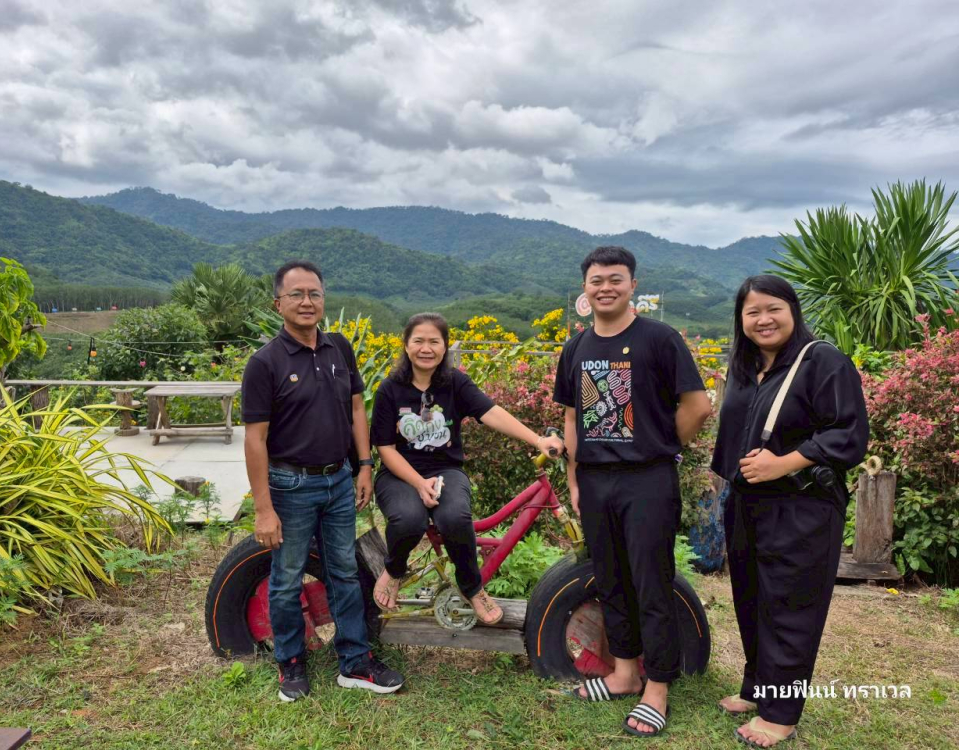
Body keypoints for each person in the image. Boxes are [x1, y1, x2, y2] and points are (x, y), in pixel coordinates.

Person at [555, 246, 712, 737]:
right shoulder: (577, 347)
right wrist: (575, 478)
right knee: (611, 578)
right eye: (596, 279)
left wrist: (662, 446)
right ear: (585, 287)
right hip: (597, 481)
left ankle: (657, 687)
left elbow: (699, 405)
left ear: (632, 286)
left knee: (651, 581)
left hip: (648, 480)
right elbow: (572, 417)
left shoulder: (659, 339)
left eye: (615, 279)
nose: (605, 287)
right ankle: (623, 672)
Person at [711, 275, 868, 747]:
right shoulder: (744, 367)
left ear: (793, 310)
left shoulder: (821, 360)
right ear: (741, 319)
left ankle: (781, 713)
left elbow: (848, 432)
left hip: (802, 505)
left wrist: (784, 462)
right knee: (752, 597)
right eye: (752, 311)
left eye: (773, 308)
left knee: (791, 605)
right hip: (747, 502)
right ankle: (758, 688)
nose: (764, 319)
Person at [241, 260, 404, 702]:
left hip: (339, 481)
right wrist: (263, 508)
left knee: (345, 572)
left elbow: (356, 409)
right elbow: (255, 440)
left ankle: (355, 662)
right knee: (287, 575)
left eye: (314, 293)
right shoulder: (264, 363)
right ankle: (290, 663)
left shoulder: (339, 349)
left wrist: (365, 464)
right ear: (278, 303)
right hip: (290, 487)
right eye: (296, 294)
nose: (307, 302)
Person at [370, 312, 565, 624]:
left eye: (434, 341)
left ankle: (472, 588)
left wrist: (538, 440)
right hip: (400, 473)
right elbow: (386, 449)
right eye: (418, 340)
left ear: (445, 346)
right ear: (406, 346)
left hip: (447, 470)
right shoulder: (389, 390)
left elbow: (490, 412)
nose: (426, 348)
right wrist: (420, 483)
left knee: (455, 518)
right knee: (408, 520)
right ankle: (394, 569)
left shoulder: (455, 383)